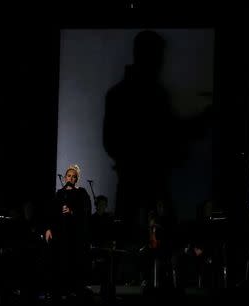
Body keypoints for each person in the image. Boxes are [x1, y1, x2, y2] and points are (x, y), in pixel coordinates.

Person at [103, 30, 177, 237]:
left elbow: (110, 142)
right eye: (158, 55)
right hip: (140, 182)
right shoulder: (153, 95)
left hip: (136, 181)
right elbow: (111, 142)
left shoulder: (120, 94)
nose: (161, 62)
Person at [44, 164, 92, 301]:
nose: (70, 178)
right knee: (59, 262)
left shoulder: (81, 193)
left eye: (73, 176)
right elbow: (51, 212)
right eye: (68, 176)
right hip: (60, 235)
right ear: (65, 178)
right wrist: (48, 228)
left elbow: (86, 212)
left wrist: (72, 212)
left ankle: (74, 292)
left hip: (75, 236)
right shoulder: (60, 193)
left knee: (73, 264)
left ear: (77, 179)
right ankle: (59, 291)